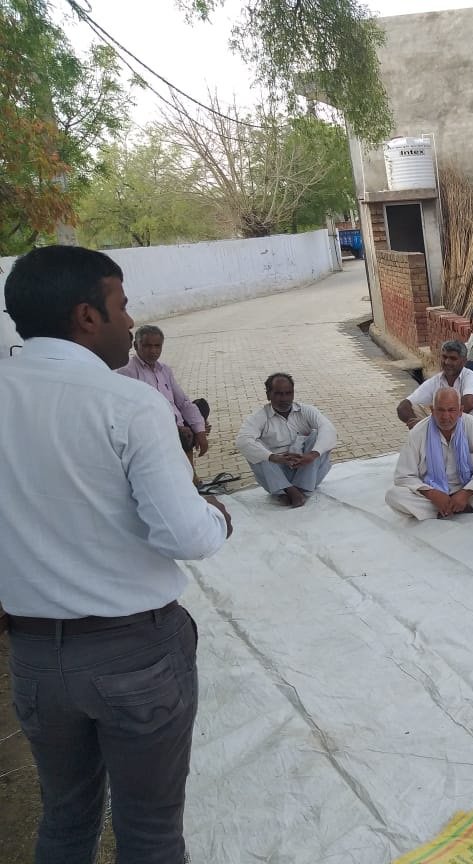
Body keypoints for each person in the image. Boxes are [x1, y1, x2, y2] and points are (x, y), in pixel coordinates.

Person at [0, 245, 232, 862]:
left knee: (66, 822)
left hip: (34, 661)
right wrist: (219, 517)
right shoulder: (128, 404)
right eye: (122, 306)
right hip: (134, 656)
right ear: (86, 316)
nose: (132, 323)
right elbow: (186, 536)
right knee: (150, 832)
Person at [387, 388, 473, 520]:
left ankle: (451, 508)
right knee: (394, 495)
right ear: (432, 410)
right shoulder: (418, 432)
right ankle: (463, 507)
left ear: (460, 411)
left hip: (469, 490)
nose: (445, 417)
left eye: (451, 410)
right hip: (433, 495)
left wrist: (466, 493)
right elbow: (404, 476)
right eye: (441, 410)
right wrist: (432, 494)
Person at [118, 323, 212, 482]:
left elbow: (182, 402)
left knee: (200, 406)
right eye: (147, 346)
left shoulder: (164, 370)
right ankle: (190, 477)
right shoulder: (127, 372)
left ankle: (189, 452)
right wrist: (176, 427)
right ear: (136, 345)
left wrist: (200, 431)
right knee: (182, 434)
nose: (153, 351)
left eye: (157, 346)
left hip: (177, 421)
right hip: (154, 427)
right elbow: (139, 412)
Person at [236, 372, 338, 507]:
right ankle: (288, 490)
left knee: (318, 435)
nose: (284, 398)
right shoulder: (259, 417)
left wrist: (311, 455)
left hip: (307, 470)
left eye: (288, 393)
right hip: (277, 475)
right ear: (268, 395)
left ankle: (301, 489)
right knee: (255, 446)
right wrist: (274, 457)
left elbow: (329, 429)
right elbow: (242, 440)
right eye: (278, 394)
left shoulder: (306, 411)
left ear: (293, 393)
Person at [397, 339, 473, 427]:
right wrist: (419, 427)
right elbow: (402, 407)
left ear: (464, 361)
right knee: (414, 408)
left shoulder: (472, 377)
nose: (447, 362)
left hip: (470, 432)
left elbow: (468, 403)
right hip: (443, 429)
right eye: (444, 357)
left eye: (453, 358)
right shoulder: (436, 381)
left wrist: (434, 423)